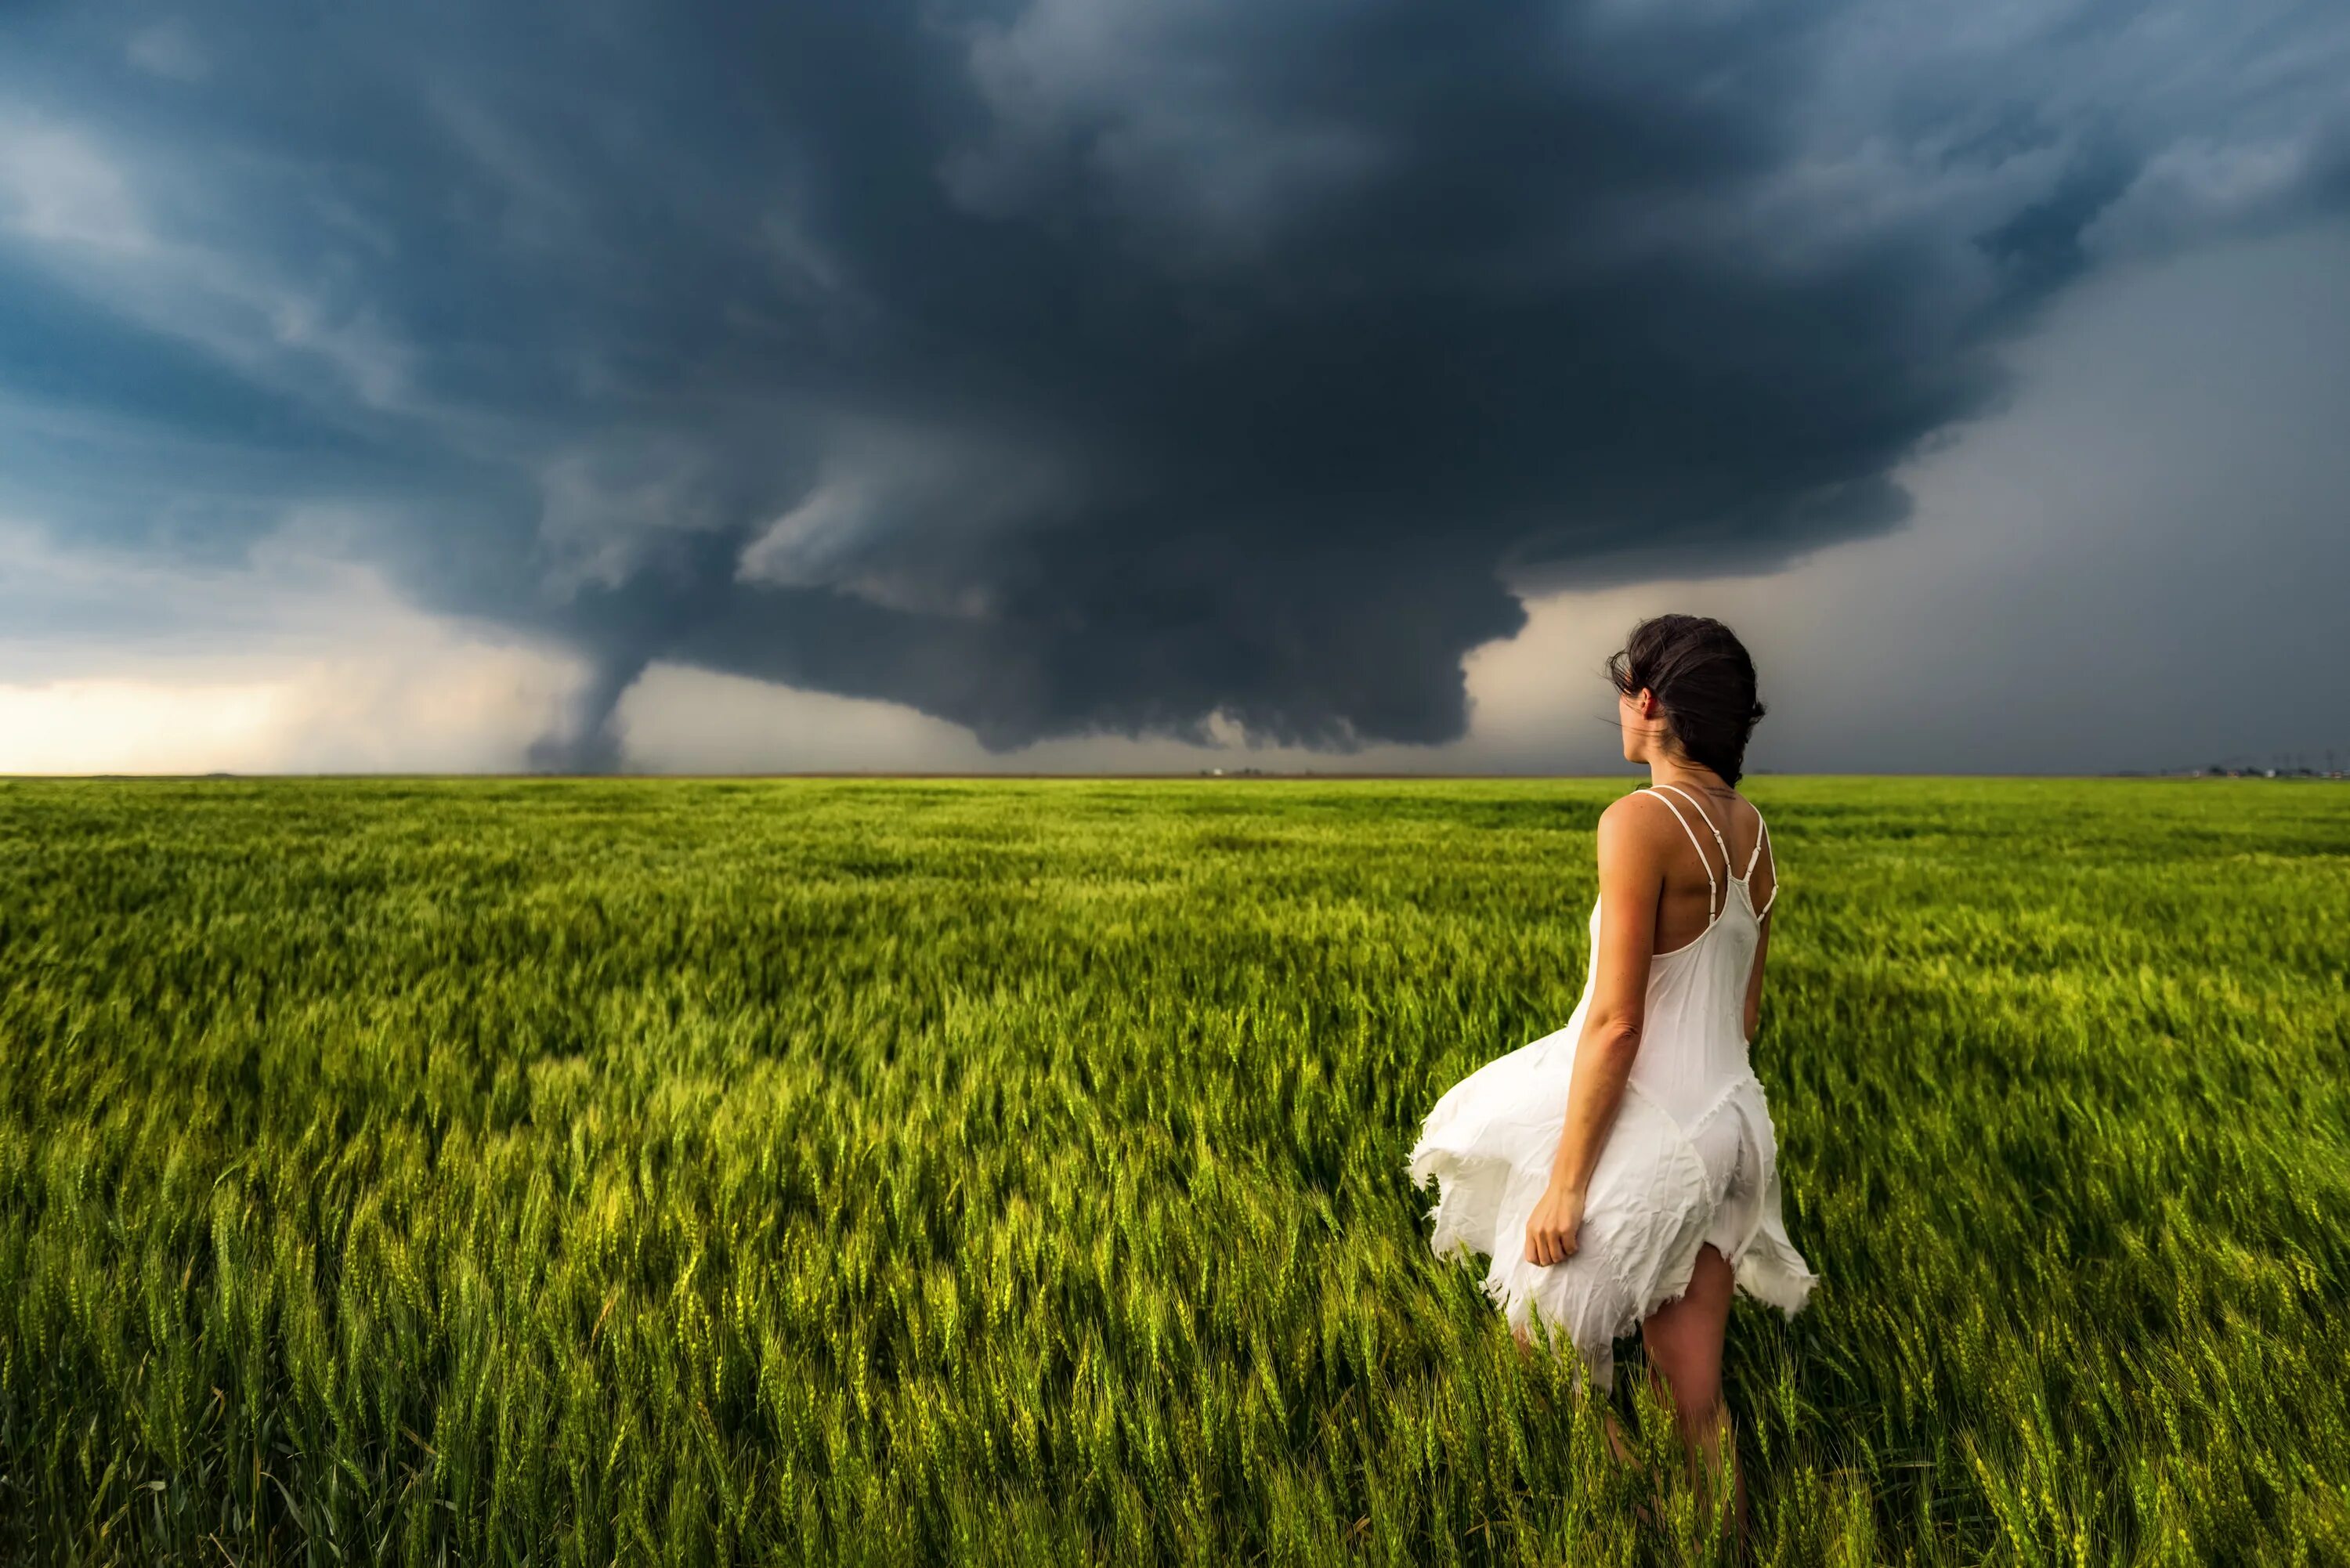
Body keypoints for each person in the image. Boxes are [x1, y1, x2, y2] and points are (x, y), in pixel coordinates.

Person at [1405, 612, 1818, 1536]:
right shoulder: (1753, 835)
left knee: (1536, 1352)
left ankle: (1661, 1529)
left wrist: (1567, 1183)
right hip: (1736, 1131)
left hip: (1662, 1134)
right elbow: (1744, 1017)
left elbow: (1618, 1020)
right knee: (1696, 1402)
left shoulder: (1639, 820)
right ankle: (1723, 1549)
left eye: (1623, 692)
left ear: (1650, 702)